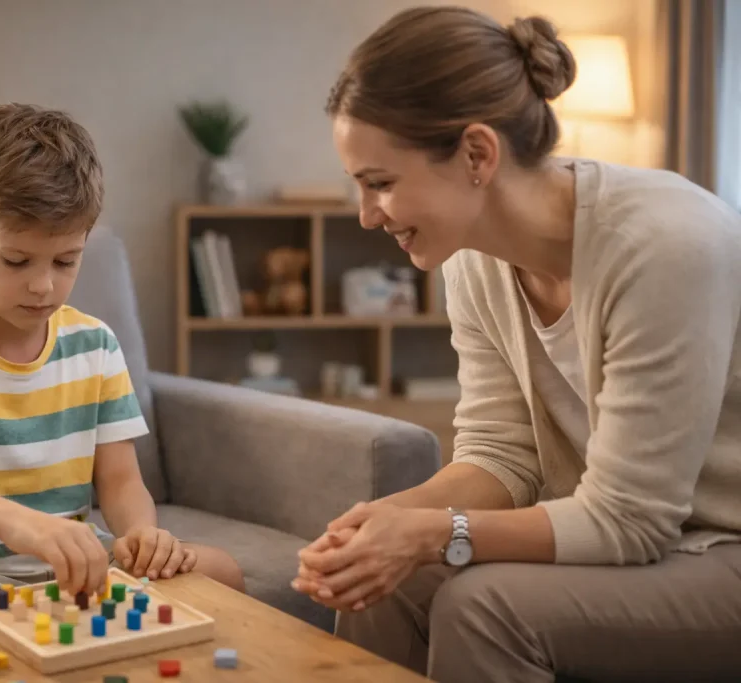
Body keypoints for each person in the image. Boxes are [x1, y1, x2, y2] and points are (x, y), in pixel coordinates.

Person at [291, 5, 741, 682]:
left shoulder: (665, 246)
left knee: (483, 607)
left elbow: (630, 520)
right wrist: (380, 524)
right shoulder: (472, 258)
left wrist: (434, 531)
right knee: (379, 583)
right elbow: (501, 454)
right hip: (643, 538)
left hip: (721, 543)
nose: (366, 215)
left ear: (478, 154)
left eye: (380, 183)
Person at [0, 103, 244, 616]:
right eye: (16, 261)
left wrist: (142, 536)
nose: (43, 285)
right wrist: (17, 523)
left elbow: (121, 481)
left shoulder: (95, 345)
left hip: (71, 569)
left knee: (221, 573)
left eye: (65, 261)